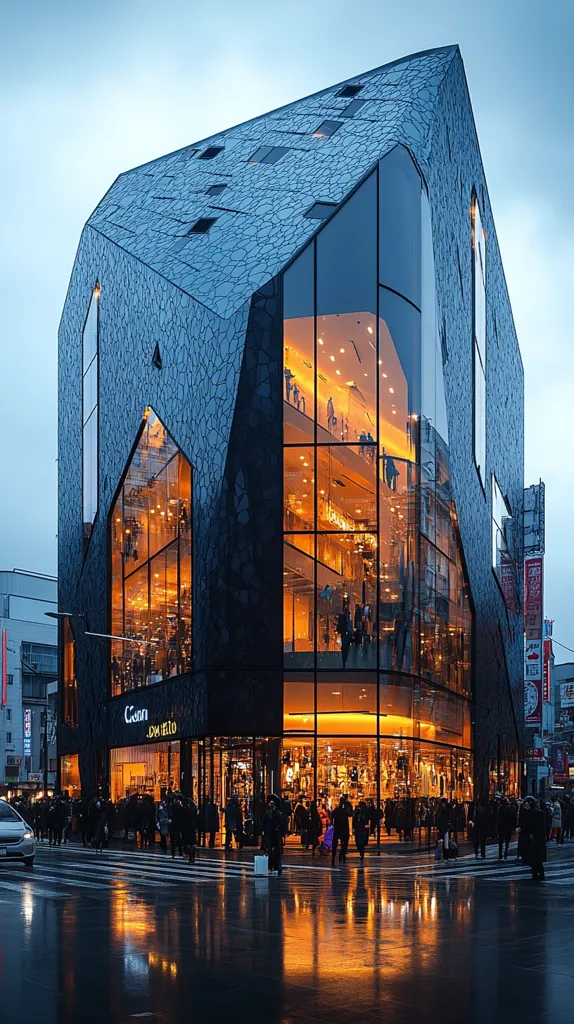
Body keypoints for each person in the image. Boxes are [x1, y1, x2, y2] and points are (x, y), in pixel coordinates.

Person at [523, 798, 547, 880]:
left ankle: (538, 873)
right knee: (535, 858)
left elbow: (534, 826)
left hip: (536, 838)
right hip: (535, 838)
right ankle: (536, 873)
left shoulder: (535, 813)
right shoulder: (533, 813)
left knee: (536, 857)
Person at [261, 795, 285, 874]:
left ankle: (275, 866)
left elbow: (282, 824)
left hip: (275, 834)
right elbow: (263, 824)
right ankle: (271, 866)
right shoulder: (268, 813)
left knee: (276, 851)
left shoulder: (277, 813)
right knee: (270, 851)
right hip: (269, 834)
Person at [331, 797, 350, 866]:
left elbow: (332, 817)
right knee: (344, 843)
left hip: (337, 828)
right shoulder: (344, 811)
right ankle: (342, 855)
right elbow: (350, 814)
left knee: (335, 843)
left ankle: (334, 857)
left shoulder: (336, 810)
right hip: (344, 829)